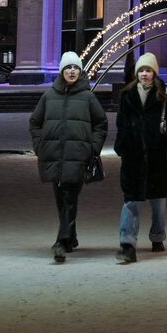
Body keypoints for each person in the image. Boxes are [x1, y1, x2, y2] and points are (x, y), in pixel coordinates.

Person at [29, 51, 108, 264]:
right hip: (54, 156)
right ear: (62, 71)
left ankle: (61, 242)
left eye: (75, 68)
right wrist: (40, 146)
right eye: (68, 68)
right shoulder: (49, 96)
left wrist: (93, 148)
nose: (71, 71)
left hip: (78, 157)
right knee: (61, 199)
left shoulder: (88, 97)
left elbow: (101, 123)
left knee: (69, 197)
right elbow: (35, 122)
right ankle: (71, 237)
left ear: (80, 71)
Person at [113, 53, 167, 264]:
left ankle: (157, 237)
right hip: (133, 156)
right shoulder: (127, 95)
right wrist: (121, 146)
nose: (144, 74)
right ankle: (127, 244)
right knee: (131, 201)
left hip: (157, 156)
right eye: (141, 70)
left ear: (154, 72)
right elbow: (121, 123)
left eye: (148, 70)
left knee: (158, 203)